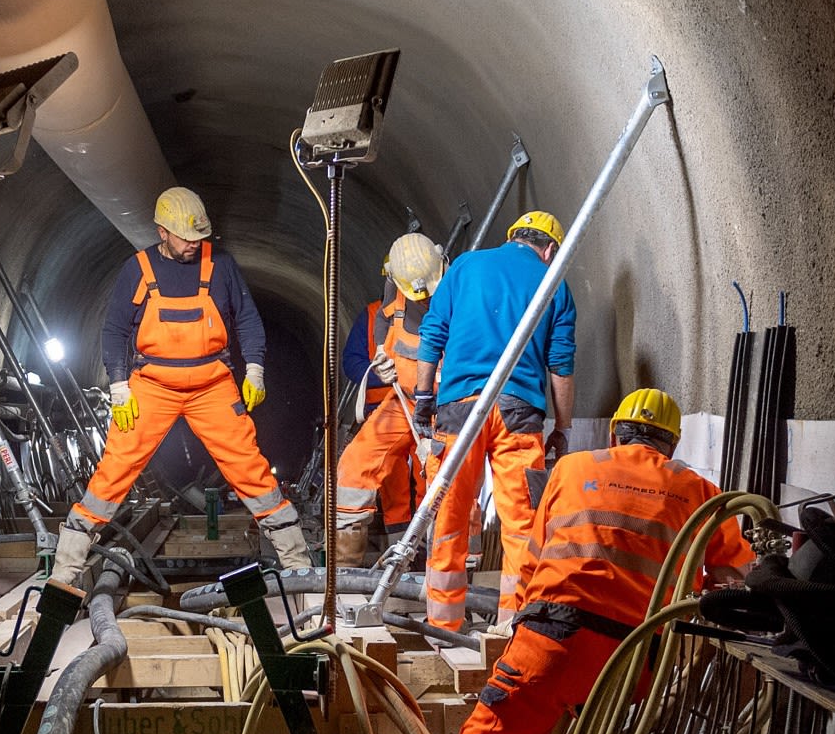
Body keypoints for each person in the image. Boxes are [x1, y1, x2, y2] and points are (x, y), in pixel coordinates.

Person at [383, 389, 754, 734]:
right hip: (631, 666)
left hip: (550, 644)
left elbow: (533, 563)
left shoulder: (572, 469)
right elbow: (733, 585)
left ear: (615, 433)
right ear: (671, 445)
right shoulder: (702, 493)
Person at [51, 186, 311, 585]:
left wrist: (255, 369)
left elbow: (247, 319)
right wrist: (119, 386)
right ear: (162, 232)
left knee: (248, 466)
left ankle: (296, 562)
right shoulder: (137, 269)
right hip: (153, 384)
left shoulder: (220, 265)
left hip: (212, 383)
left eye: (199, 236)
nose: (194, 243)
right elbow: (115, 330)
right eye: (186, 237)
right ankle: (66, 568)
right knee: (116, 467)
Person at [412, 211, 576, 632]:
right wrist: (562, 428)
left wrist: (424, 399)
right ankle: (513, 630)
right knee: (522, 527)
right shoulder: (554, 282)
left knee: (448, 518)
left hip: (459, 409)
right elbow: (560, 365)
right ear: (550, 250)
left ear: (513, 237)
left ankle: (442, 629)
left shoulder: (466, 266)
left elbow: (433, 335)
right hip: (519, 412)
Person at [334, 232, 444, 566]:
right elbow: (384, 318)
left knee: (438, 481)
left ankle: (439, 566)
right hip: (402, 402)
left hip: (444, 407)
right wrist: (382, 354)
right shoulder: (394, 289)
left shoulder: (458, 291)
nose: (422, 299)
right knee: (355, 466)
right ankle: (345, 570)